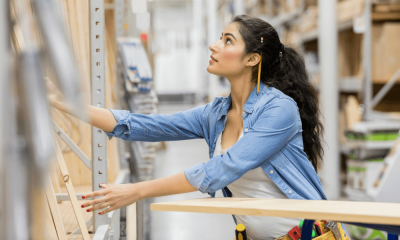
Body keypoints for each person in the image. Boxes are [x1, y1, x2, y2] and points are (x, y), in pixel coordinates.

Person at [48, 15, 326, 240]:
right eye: (219, 38)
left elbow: (223, 168)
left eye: (227, 41)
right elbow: (144, 125)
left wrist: (138, 190)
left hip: (309, 235)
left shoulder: (279, 109)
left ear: (252, 59)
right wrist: (60, 102)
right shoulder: (216, 113)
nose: (214, 46)